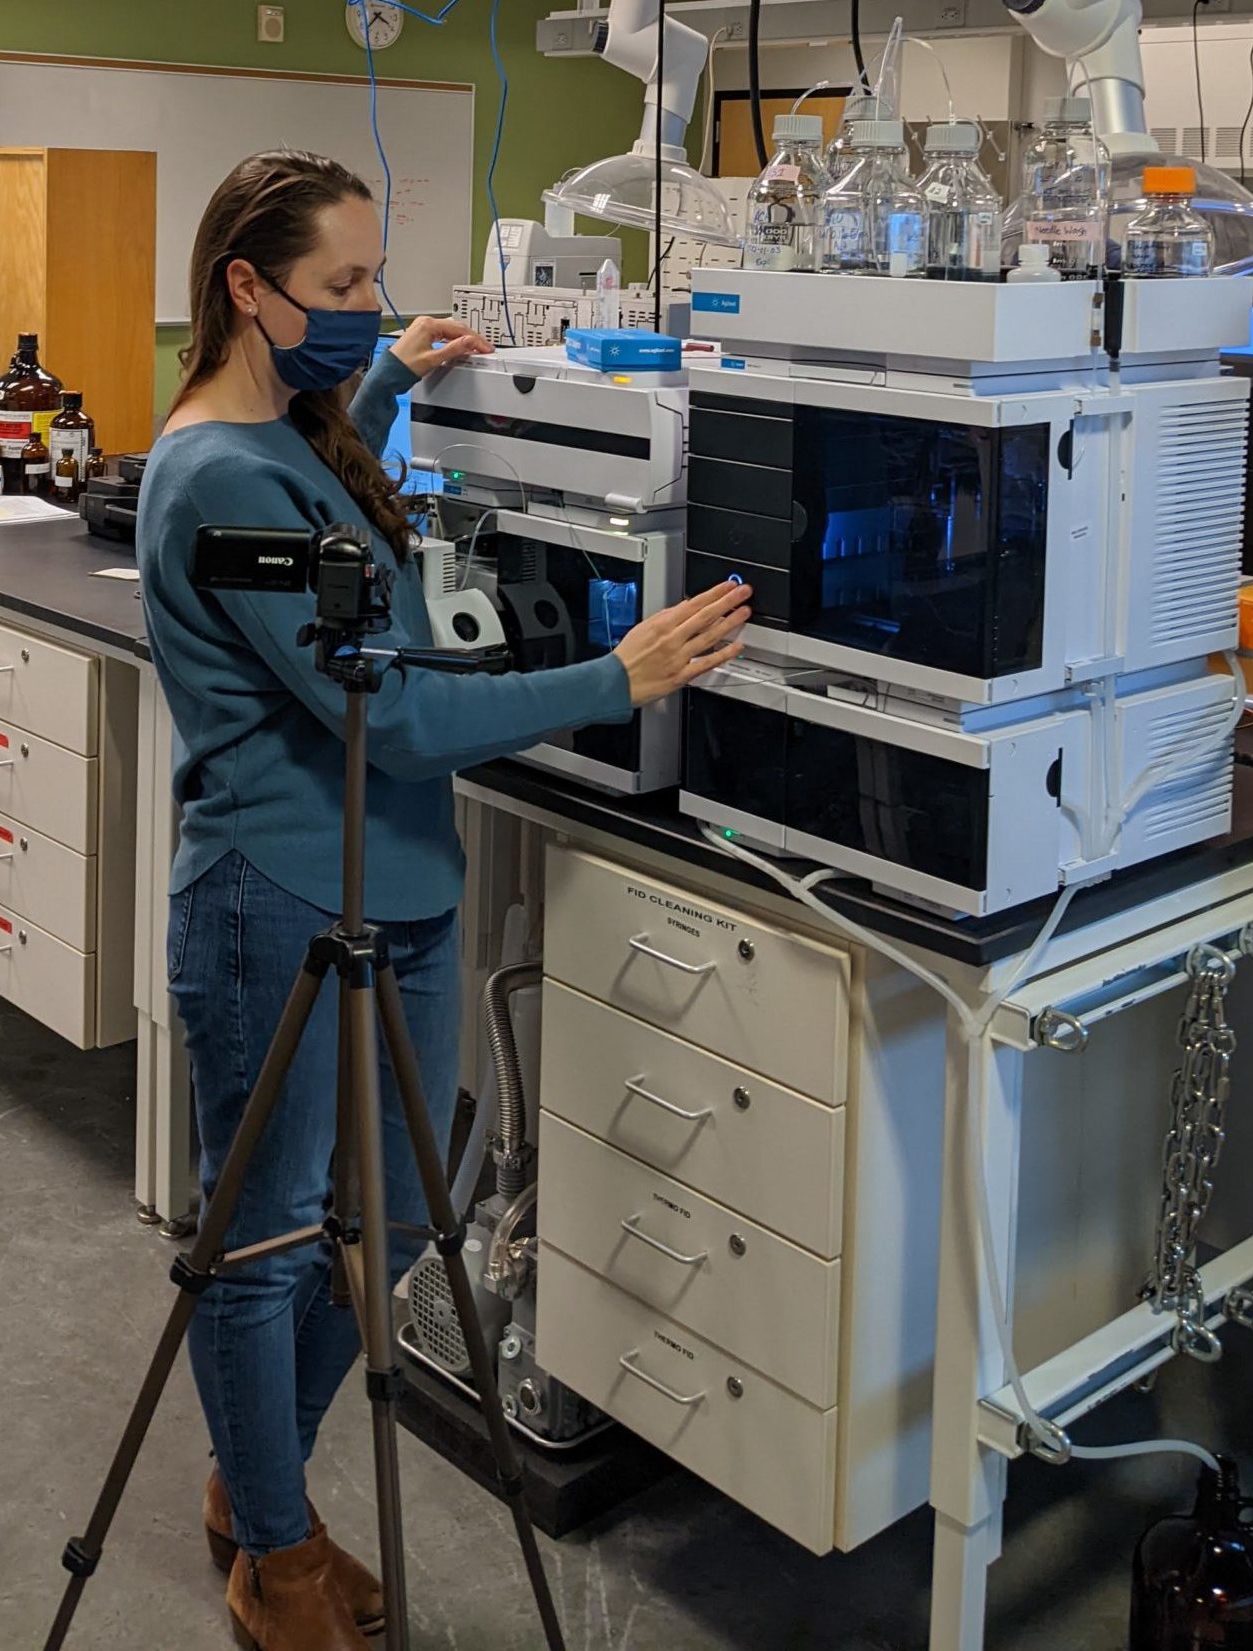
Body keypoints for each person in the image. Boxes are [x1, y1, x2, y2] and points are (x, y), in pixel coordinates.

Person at [136, 149, 752, 1651]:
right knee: (268, 1235)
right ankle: (274, 1544)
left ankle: (254, 1482)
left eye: (375, 283)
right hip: (271, 894)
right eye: (344, 288)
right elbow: (390, 716)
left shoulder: (284, 430)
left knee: (403, 1221)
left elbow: (332, 526)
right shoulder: (217, 476)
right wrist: (619, 677)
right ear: (247, 287)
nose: (369, 307)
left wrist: (394, 379)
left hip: (398, 878)